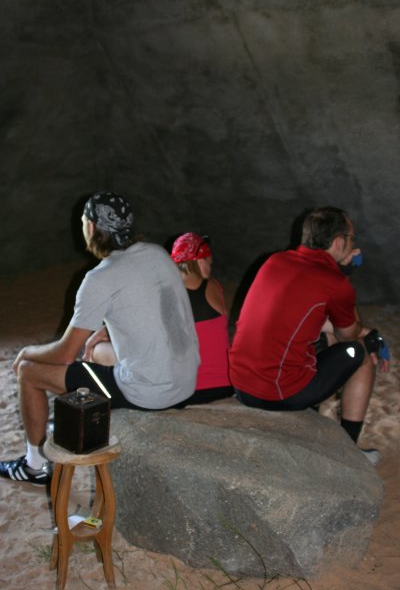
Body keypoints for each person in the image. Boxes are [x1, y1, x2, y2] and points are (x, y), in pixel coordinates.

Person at [0, 192, 199, 486]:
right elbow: (158, 306)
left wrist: (26, 351)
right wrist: (107, 328)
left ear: (91, 227)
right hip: (186, 380)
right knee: (94, 352)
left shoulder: (100, 277)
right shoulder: (157, 254)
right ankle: (83, 418)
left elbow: (65, 353)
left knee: (29, 371)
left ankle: (35, 466)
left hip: (150, 393)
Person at [229, 206, 390, 463]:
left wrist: (364, 330)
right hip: (276, 392)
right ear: (339, 243)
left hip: (241, 384)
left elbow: (307, 319)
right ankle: (349, 454)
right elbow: (349, 335)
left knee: (327, 339)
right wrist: (344, 276)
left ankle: (314, 420)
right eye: (352, 238)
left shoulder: (275, 261)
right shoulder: (334, 282)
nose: (353, 244)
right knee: (362, 353)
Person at [170, 232, 233, 404]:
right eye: (209, 263)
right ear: (199, 261)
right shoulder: (213, 286)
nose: (211, 268)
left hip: (184, 391)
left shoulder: (165, 293)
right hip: (224, 385)